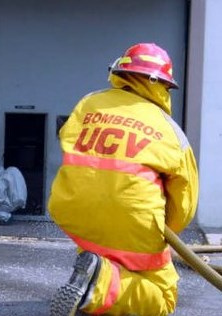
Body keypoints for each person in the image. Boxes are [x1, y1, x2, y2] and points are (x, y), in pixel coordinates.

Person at [48, 43, 199, 315]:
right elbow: (184, 203)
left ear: (121, 72)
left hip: (72, 213)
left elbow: (66, 139)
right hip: (132, 225)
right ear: (162, 85)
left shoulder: (89, 103)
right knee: (165, 297)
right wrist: (163, 232)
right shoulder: (170, 130)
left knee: (103, 247)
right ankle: (100, 283)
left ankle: (95, 270)